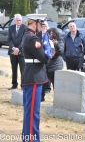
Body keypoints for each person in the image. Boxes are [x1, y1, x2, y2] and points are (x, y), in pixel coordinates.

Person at [21, 14, 50, 142]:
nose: (42, 26)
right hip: (33, 78)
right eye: (41, 24)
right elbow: (44, 58)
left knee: (30, 111)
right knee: (33, 112)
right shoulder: (32, 39)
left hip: (33, 77)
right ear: (35, 24)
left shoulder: (30, 36)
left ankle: (28, 138)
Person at [7, 14, 27, 90]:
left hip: (21, 52)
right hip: (12, 52)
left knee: (23, 69)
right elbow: (9, 39)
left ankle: (23, 85)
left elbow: (24, 40)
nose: (19, 22)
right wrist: (13, 48)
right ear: (15, 21)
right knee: (14, 68)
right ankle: (14, 84)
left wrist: (18, 48)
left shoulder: (25, 28)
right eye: (17, 20)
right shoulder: (11, 28)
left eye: (20, 20)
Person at [36, 21, 52, 101]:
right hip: (40, 60)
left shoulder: (51, 34)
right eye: (42, 26)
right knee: (42, 78)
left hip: (50, 60)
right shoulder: (37, 35)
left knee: (47, 77)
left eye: (45, 26)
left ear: (48, 26)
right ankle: (41, 96)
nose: (44, 27)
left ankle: (47, 89)